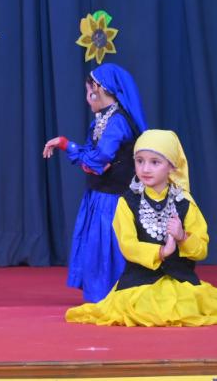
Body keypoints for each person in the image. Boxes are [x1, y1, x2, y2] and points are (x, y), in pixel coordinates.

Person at [66, 129, 217, 326]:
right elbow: (128, 245)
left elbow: (201, 249)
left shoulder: (185, 203)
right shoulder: (127, 203)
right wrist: (161, 252)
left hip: (181, 282)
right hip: (139, 284)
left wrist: (182, 237)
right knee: (147, 310)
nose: (145, 169)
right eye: (139, 161)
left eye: (155, 162)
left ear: (172, 166)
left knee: (184, 309)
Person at [43, 64, 147, 302]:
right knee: (97, 244)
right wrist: (67, 145)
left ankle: (114, 294)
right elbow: (92, 158)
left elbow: (99, 158)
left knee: (109, 243)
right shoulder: (102, 121)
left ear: (97, 89)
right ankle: (104, 294)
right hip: (99, 194)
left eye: (88, 91)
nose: (87, 98)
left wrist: (89, 159)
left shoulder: (118, 121)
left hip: (113, 198)